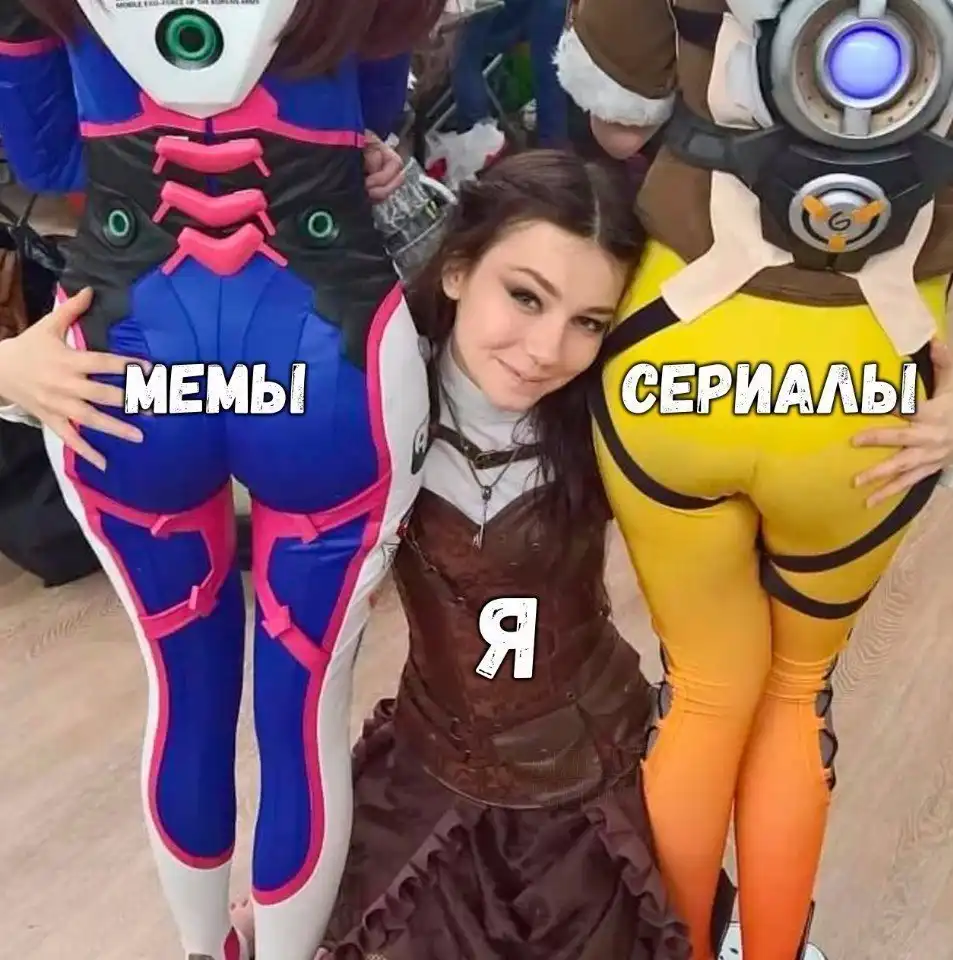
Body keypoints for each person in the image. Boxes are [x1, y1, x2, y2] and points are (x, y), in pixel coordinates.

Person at [0, 3, 442, 960]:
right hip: (329, 351)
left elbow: (46, 163)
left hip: (125, 356)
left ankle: (206, 951)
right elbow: (371, 117)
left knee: (183, 691)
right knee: (304, 711)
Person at [554, 1, 953, 958]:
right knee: (794, 689)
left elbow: (617, 122)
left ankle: (675, 946)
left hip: (675, 355)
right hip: (875, 381)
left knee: (702, 688)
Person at [229, 149, 692, 959]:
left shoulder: (616, 412)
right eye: (525, 296)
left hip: (591, 778)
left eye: (587, 321)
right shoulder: (368, 398)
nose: (546, 348)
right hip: (432, 767)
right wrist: (16, 370)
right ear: (455, 271)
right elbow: (178, 392)